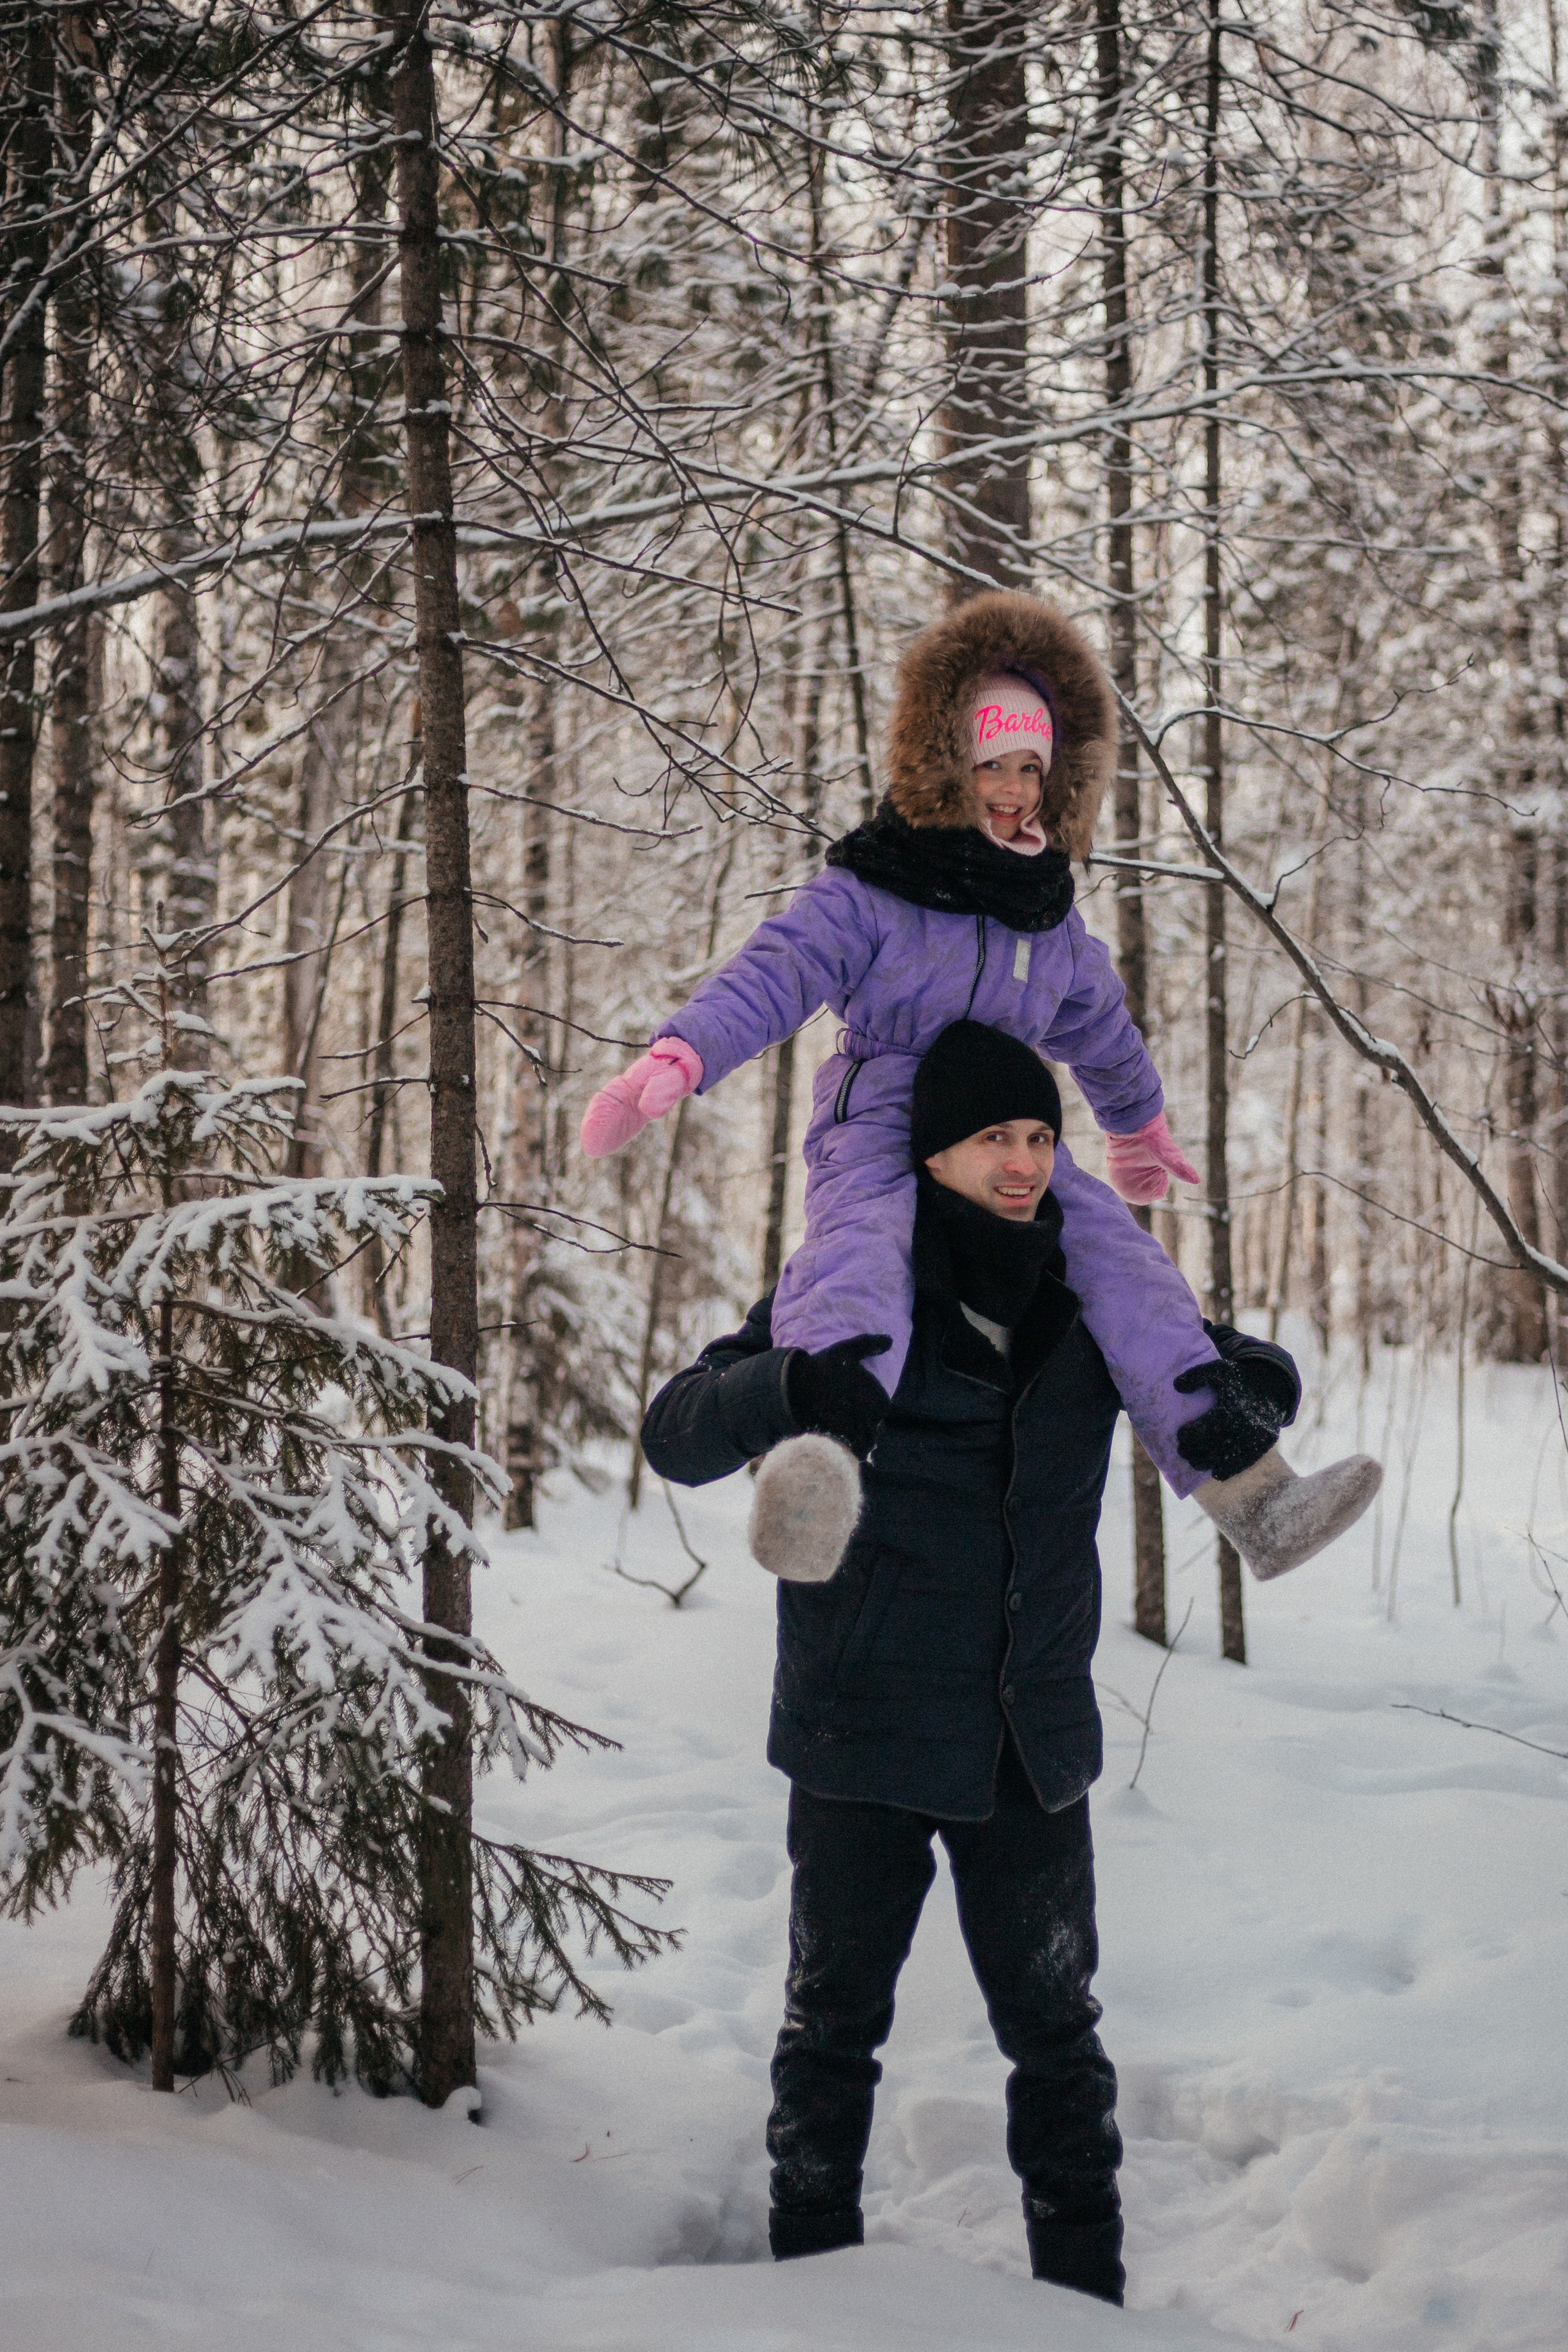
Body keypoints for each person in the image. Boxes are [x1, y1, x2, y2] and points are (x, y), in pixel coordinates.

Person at [640, 1022, 1311, 2305]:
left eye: (1039, 1136)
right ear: (931, 1151)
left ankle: (1083, 2307)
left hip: (1025, 1736)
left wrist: (1254, 1389)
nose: (1020, 1162)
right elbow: (677, 1436)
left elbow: (1213, 1368)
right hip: (859, 1730)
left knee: (1059, 2047)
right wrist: (781, 1386)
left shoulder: (1097, 1295)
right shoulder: (845, 1292)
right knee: (828, 2039)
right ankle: (803, 2303)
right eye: (991, 1138)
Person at [589, 590, 1378, 1580]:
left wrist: (1135, 1122)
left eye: (1030, 769)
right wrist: (683, 1056)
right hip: (880, 1117)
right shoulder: (873, 888)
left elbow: (1102, 1028)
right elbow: (777, 972)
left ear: (1058, 782)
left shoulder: (1049, 920)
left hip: (1011, 1131)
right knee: (863, 1257)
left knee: (1127, 1268)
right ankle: (815, 1473)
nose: (1010, 788)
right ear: (949, 766)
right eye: (991, 764)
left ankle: (1252, 1496)